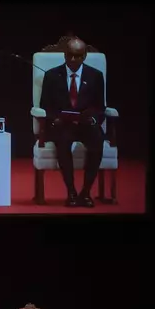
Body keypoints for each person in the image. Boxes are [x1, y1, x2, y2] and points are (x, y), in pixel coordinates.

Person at [39, 37, 106, 208]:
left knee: (97, 140)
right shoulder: (52, 75)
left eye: (78, 56)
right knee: (63, 142)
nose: (73, 60)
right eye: (70, 55)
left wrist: (93, 118)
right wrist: (55, 118)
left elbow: (100, 107)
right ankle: (71, 192)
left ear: (84, 56)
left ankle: (85, 192)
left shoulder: (95, 76)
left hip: (85, 125)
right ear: (64, 55)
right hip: (63, 125)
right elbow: (45, 106)